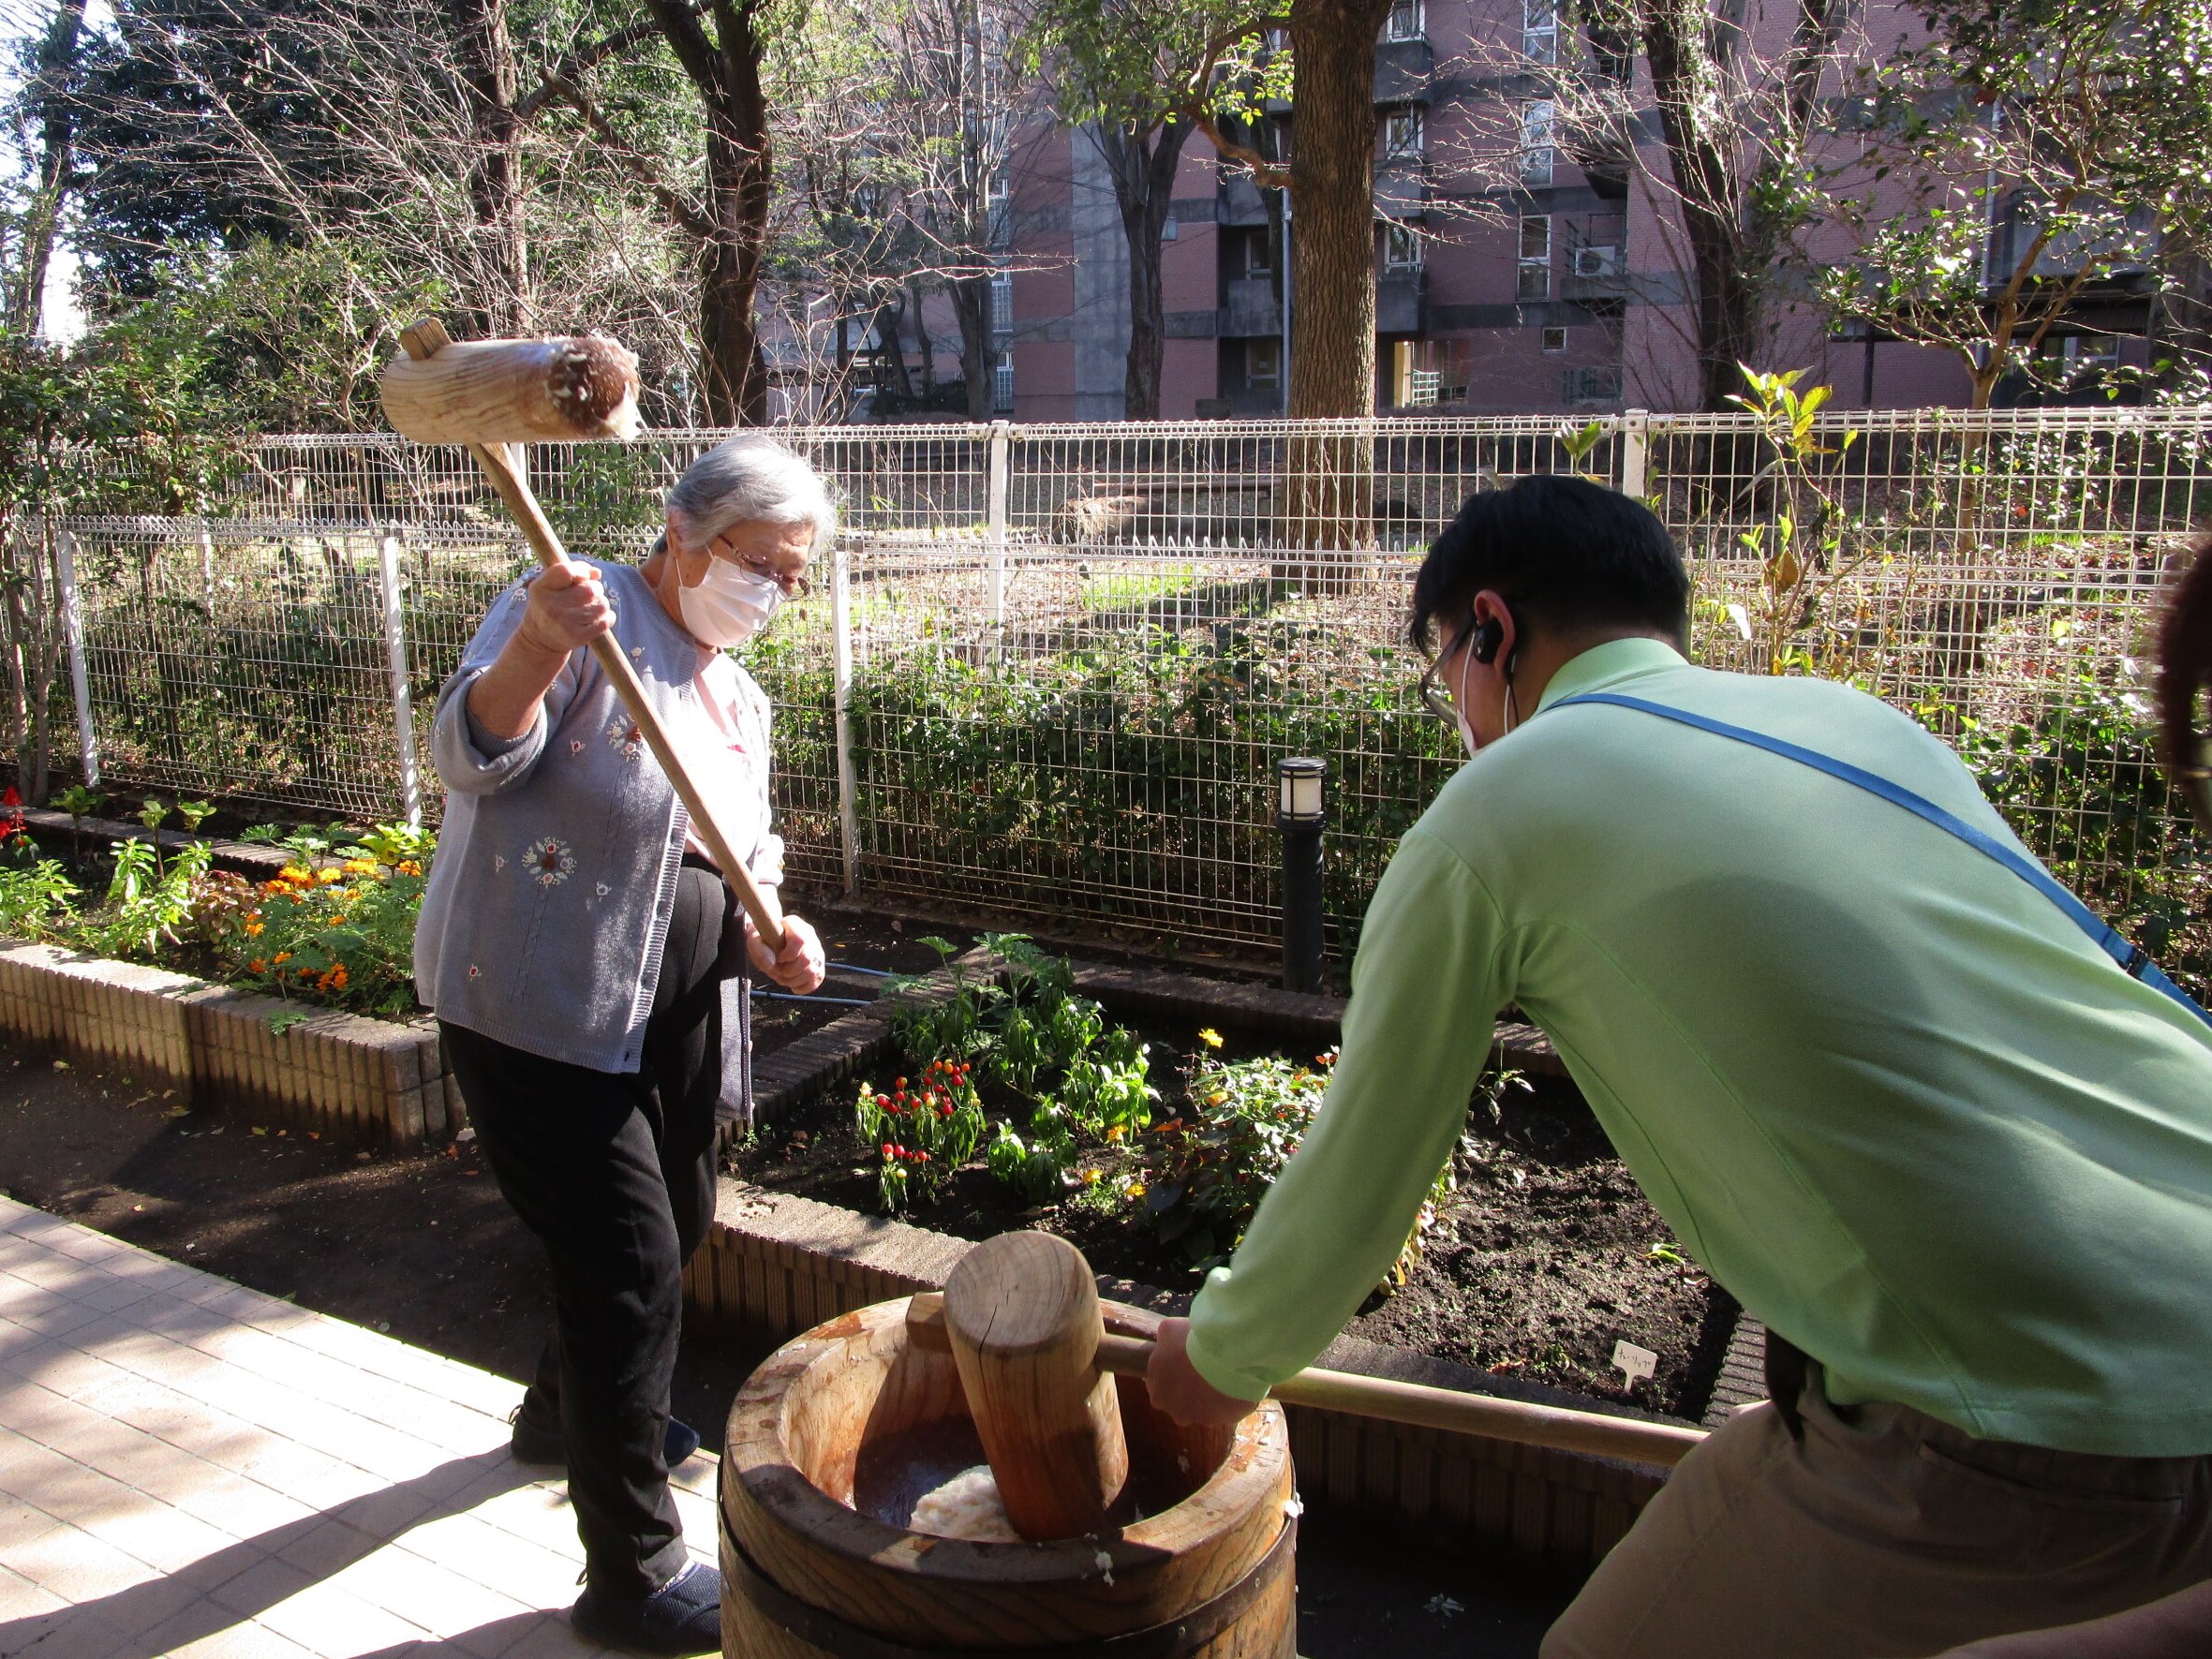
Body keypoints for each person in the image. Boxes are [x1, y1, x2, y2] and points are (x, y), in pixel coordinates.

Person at [1142, 475, 2212, 1658]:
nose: (1458, 710)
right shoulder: (1859, 723)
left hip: (2038, 1415)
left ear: (1491, 629)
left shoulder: (1494, 814)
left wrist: (1222, 1356)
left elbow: (1365, 1169)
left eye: (1448, 667)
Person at [413, 436, 828, 1655]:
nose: (774, 591)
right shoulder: (575, 608)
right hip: (540, 1005)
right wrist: (537, 649)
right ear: (687, 533)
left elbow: (747, 858)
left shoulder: (736, 696)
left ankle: (570, 1408)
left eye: (794, 576)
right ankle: (633, 1569)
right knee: (631, 1261)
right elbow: (467, 753)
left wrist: (776, 931)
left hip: (672, 1005)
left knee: (678, 1216)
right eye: (762, 563)